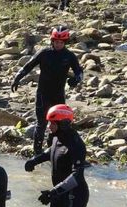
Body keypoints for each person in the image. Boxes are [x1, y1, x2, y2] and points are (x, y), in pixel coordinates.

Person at [11, 26, 83, 155]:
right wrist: (17, 77)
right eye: (56, 42)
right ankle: (37, 153)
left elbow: (79, 71)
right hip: (43, 94)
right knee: (41, 124)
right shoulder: (44, 53)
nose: (58, 44)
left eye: (61, 42)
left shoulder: (69, 56)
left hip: (58, 96)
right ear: (52, 41)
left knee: (58, 124)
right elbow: (28, 66)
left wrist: (76, 79)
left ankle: (53, 150)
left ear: (65, 43)